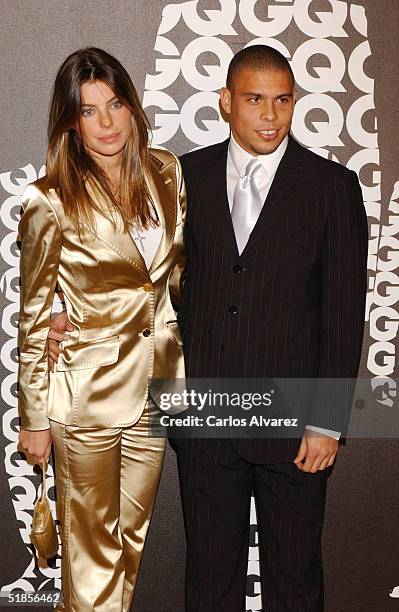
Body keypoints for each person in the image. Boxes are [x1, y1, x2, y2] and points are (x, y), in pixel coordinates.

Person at [49, 45, 368, 611]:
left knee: (296, 582)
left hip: (295, 423)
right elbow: (138, 271)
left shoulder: (331, 187)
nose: (270, 115)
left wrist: (327, 419)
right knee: (209, 584)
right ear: (226, 102)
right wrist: (64, 310)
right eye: (254, 100)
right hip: (206, 419)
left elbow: (343, 311)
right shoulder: (178, 177)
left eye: (282, 100)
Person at [17, 47, 185, 612]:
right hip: (85, 397)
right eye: (89, 111)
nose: (107, 122)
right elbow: (36, 315)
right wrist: (34, 418)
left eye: (115, 104)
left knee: (126, 550)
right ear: (70, 121)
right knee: (91, 561)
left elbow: (175, 280)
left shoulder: (167, 172)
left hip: (157, 390)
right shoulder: (50, 200)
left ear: (132, 108)